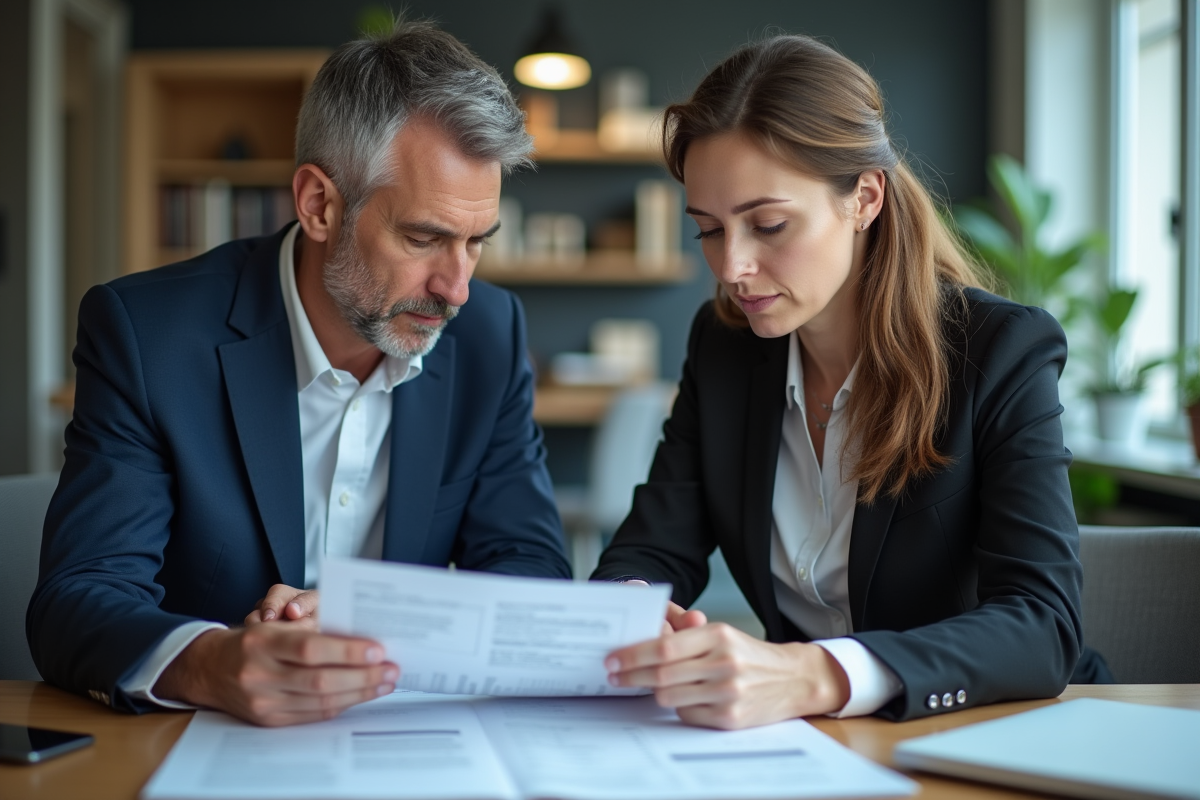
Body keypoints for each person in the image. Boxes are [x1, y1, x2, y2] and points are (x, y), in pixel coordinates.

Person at [28, 20, 570, 727]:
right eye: (423, 237)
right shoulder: (147, 336)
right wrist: (212, 661)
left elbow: (530, 570)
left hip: (407, 741)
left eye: (476, 242)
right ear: (319, 204)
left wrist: (383, 624)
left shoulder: (491, 336)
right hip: (203, 742)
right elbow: (78, 599)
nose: (457, 287)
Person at [594, 34, 1107, 728]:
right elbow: (656, 543)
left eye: (768, 224)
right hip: (824, 747)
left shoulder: (999, 350)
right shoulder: (724, 348)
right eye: (708, 230)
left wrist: (818, 673)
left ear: (864, 198)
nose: (731, 267)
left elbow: (1042, 624)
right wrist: (633, 615)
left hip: (999, 731)